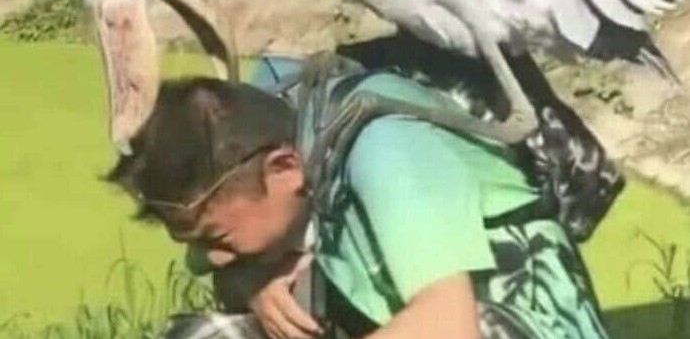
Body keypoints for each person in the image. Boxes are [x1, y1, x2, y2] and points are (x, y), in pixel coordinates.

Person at [107, 37, 616, 339]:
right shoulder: (259, 116)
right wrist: (251, 285)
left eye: (216, 239)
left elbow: (449, 324)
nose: (209, 259)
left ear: (285, 168)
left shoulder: (389, 147)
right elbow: (224, 272)